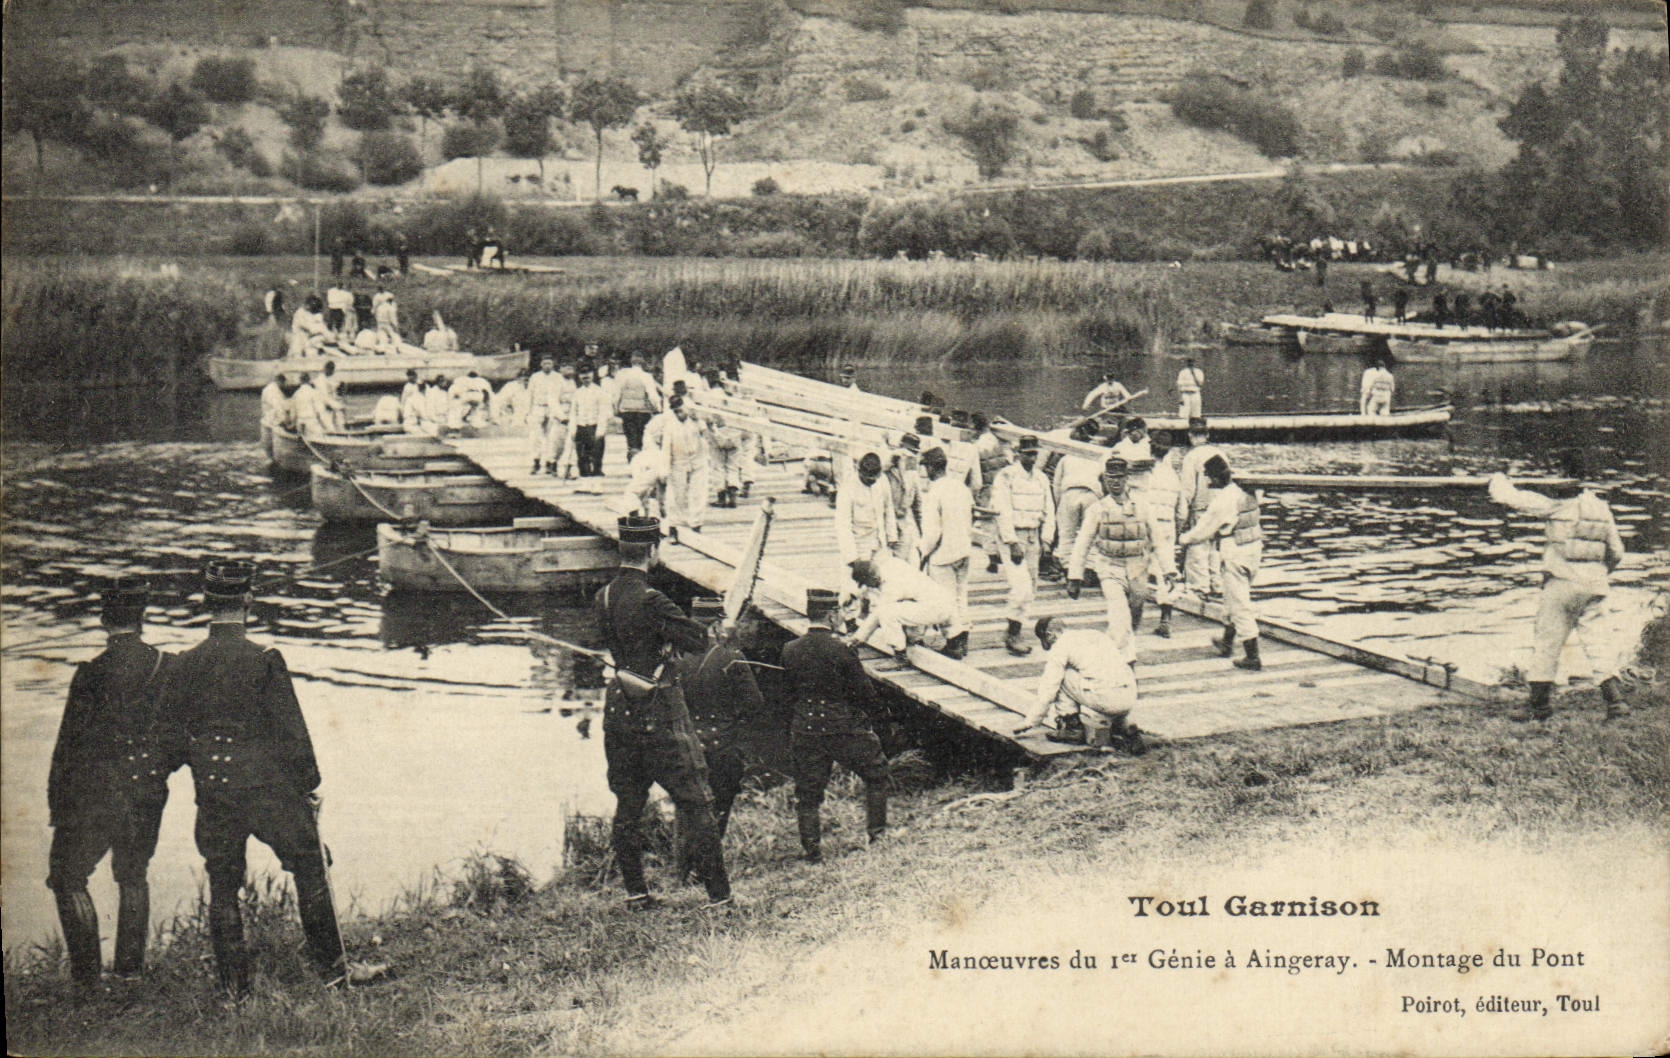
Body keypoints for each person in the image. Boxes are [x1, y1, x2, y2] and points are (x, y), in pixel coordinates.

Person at [155, 560, 346, 995]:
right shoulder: (265, 660)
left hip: (215, 793)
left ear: (207, 604)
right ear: (247, 602)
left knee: (223, 883)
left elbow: (169, 740)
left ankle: (234, 988)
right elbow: (292, 733)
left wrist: (203, 762)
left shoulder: (184, 664)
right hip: (268, 791)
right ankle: (334, 971)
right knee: (311, 863)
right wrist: (307, 785)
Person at [593, 517, 732, 908]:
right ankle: (719, 896)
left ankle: (637, 893)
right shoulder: (652, 599)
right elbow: (696, 639)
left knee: (629, 802)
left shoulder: (602, 596)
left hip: (620, 706)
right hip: (660, 709)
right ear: (653, 552)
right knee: (696, 799)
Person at [47, 576, 175, 992]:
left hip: (95, 791)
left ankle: (87, 979)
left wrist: (58, 805)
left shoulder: (90, 673)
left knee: (66, 876)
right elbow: (179, 736)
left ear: (104, 619)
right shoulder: (167, 666)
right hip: (147, 791)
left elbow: (68, 746)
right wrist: (158, 770)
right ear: (143, 618)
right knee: (133, 873)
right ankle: (129, 973)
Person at [1487, 473, 1630, 721]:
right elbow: (1617, 551)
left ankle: (1539, 706)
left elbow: (1510, 497)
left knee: (1547, 643)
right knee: (1597, 643)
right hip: (1594, 584)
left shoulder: (1555, 505)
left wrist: (1498, 478)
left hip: (1562, 582)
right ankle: (1615, 702)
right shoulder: (1600, 508)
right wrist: (1599, 571)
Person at [782, 588, 891, 863]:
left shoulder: (790, 649)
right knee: (876, 774)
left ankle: (812, 851)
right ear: (831, 616)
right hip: (843, 726)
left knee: (807, 793)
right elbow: (864, 693)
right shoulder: (842, 649)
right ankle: (877, 836)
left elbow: (788, 693)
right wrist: (881, 718)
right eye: (839, 613)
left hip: (805, 726)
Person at [672, 597, 764, 878]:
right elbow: (755, 704)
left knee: (686, 806)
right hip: (720, 745)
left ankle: (683, 867)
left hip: (683, 744)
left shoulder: (673, 658)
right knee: (719, 803)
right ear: (714, 626)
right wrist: (731, 715)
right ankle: (705, 868)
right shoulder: (731, 658)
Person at [1067, 457, 1161, 665]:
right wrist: (1075, 576)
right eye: (1110, 478)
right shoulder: (1097, 509)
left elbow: (1158, 538)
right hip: (1110, 568)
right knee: (1119, 616)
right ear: (1105, 480)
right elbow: (1082, 543)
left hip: (1138, 567)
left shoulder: (1143, 506)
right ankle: (1125, 665)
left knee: (1133, 616)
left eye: (1119, 478)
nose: (1115, 483)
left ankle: (1115, 651)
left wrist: (1170, 570)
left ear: (1127, 479)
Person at [1178, 454, 1265, 671]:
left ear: (1217, 477)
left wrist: (1182, 538)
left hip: (1234, 552)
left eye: (1209, 477)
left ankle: (1252, 656)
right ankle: (1227, 642)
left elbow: (1202, 532)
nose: (1208, 482)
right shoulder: (1247, 490)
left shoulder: (1222, 501)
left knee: (1239, 604)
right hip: (1254, 549)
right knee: (1232, 597)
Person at [1013, 616, 1140, 750]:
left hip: (1106, 699)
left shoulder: (1060, 645)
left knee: (1061, 677)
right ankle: (1122, 723)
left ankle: (1071, 728)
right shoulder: (1095, 634)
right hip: (1129, 695)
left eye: (1046, 642)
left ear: (1050, 635)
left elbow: (1048, 690)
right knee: (1103, 674)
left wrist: (1031, 721)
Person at [990, 435, 1056, 656]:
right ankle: (1012, 633)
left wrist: (1047, 540)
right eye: (1027, 453)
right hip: (1014, 536)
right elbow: (1002, 510)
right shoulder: (1006, 476)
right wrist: (1011, 541)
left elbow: (1049, 511)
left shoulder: (1041, 478)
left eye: (1034, 453)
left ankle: (1016, 626)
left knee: (1032, 586)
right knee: (1021, 587)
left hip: (1033, 535)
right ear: (1018, 453)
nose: (1031, 457)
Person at [917, 446, 974, 659]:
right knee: (961, 596)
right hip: (963, 549)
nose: (925, 472)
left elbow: (933, 532)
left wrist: (923, 553)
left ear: (932, 468)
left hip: (943, 554)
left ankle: (954, 642)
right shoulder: (960, 487)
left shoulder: (934, 493)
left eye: (926, 467)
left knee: (944, 598)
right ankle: (964, 636)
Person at [849, 556, 957, 659]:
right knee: (900, 609)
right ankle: (916, 640)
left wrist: (859, 637)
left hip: (936, 609)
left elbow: (878, 613)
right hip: (943, 601)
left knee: (886, 613)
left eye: (867, 584)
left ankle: (900, 655)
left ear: (873, 577)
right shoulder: (891, 564)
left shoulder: (891, 586)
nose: (868, 587)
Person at [1176, 417, 1226, 604]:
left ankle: (1199, 588)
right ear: (1207, 434)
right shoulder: (1219, 453)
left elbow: (1187, 490)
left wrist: (1181, 516)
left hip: (1201, 507)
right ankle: (1217, 586)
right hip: (1220, 506)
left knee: (1198, 547)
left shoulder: (1191, 457)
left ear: (1190, 435)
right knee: (1215, 548)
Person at [836, 452, 899, 599]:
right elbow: (842, 525)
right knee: (851, 590)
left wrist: (892, 536)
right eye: (867, 479)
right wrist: (852, 558)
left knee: (882, 584)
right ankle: (850, 619)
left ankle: (876, 617)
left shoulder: (883, 481)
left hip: (879, 541)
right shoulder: (847, 489)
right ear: (859, 471)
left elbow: (889, 508)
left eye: (874, 479)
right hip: (859, 544)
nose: (871, 481)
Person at [1143, 430, 1186, 638]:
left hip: (1146, 523)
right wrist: (1176, 532)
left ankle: (1130, 614)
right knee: (1165, 573)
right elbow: (1182, 511)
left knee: (1134, 567)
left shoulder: (1145, 472)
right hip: (1167, 524)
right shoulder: (1174, 476)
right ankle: (1165, 618)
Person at [661, 395, 712, 543]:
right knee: (675, 495)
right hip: (679, 461)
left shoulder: (696, 421)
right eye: (676, 412)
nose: (679, 414)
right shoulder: (670, 426)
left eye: (681, 410)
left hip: (698, 460)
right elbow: (666, 450)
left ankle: (696, 525)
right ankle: (673, 528)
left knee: (698, 492)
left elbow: (707, 435)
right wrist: (664, 470)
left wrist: (703, 423)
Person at [970, 412, 1010, 574]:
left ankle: (992, 558)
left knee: (987, 524)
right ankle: (1004, 553)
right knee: (1003, 520)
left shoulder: (976, 447)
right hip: (1002, 485)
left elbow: (977, 477)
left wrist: (975, 494)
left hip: (987, 487)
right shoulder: (998, 440)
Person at [613, 351, 663, 462]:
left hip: (627, 410)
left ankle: (632, 459)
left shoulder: (622, 375)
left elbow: (616, 394)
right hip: (643, 411)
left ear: (631, 361)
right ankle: (638, 463)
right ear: (643, 362)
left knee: (631, 438)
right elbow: (652, 396)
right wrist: (658, 408)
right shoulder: (646, 376)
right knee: (641, 438)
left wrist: (616, 409)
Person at [885, 435, 923, 565]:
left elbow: (918, 503)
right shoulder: (887, 470)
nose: (908, 457)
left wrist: (922, 529)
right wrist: (891, 461)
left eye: (912, 454)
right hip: (884, 520)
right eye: (906, 453)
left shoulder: (913, 472)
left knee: (902, 561)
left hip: (904, 521)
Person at [526, 357, 565, 474]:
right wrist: (528, 411)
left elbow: (562, 394)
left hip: (553, 408)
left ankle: (551, 463)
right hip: (538, 407)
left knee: (552, 437)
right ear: (541, 364)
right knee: (536, 437)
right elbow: (530, 394)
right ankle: (536, 462)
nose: (547, 365)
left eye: (549, 363)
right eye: (545, 363)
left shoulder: (558, 377)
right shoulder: (535, 377)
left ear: (553, 365)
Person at [571, 364, 607, 476]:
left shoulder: (599, 391)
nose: (585, 377)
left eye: (588, 374)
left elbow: (603, 412)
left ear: (593, 375)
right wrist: (572, 429)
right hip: (581, 426)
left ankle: (597, 474)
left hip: (594, 426)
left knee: (596, 454)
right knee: (582, 456)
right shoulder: (577, 393)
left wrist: (600, 430)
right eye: (583, 375)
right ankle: (584, 478)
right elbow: (573, 412)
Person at [290, 372, 331, 437]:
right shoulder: (314, 393)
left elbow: (293, 414)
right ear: (309, 380)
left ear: (300, 381)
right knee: (322, 434)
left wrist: (292, 424)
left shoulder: (296, 394)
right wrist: (328, 427)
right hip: (311, 423)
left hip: (300, 423)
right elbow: (320, 412)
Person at [317, 360, 347, 432]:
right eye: (332, 370)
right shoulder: (320, 380)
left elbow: (336, 387)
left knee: (340, 410)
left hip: (329, 404)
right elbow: (324, 396)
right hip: (323, 405)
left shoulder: (329, 379)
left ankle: (341, 429)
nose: (333, 373)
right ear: (327, 369)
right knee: (329, 425)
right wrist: (332, 405)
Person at [372, 286, 400, 351]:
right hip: (387, 323)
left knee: (381, 335)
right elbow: (393, 318)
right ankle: (397, 347)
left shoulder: (380, 307)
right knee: (393, 335)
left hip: (380, 323)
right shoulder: (390, 308)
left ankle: (381, 348)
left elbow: (376, 313)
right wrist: (396, 325)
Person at [400, 369, 424, 433]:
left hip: (417, 405)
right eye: (410, 376)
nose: (413, 378)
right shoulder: (407, 387)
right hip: (409, 406)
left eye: (414, 376)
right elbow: (403, 400)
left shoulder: (416, 385)